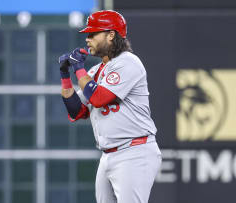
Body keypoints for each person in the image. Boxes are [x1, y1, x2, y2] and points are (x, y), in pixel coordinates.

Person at [58, 10, 162, 203]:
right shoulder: (96, 71)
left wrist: (79, 70)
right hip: (108, 155)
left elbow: (99, 98)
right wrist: (65, 76)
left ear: (111, 35)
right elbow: (76, 110)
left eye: (93, 34)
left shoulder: (128, 62)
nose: (87, 39)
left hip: (134, 151)